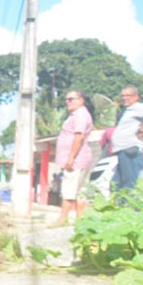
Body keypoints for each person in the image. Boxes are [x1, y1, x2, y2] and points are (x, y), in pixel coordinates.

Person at [53, 90, 94, 225]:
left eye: (71, 99)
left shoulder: (80, 115)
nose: (68, 102)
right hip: (80, 158)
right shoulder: (77, 115)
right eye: (66, 99)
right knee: (79, 191)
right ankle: (80, 220)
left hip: (76, 160)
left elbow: (79, 136)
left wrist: (70, 158)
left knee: (68, 191)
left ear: (81, 100)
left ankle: (62, 220)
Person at [111, 86, 143, 191]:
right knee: (116, 184)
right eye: (122, 96)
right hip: (124, 150)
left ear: (136, 97)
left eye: (128, 95)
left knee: (129, 184)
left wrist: (142, 130)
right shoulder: (129, 110)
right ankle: (121, 206)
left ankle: (129, 206)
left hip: (130, 149)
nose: (124, 98)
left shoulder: (137, 107)